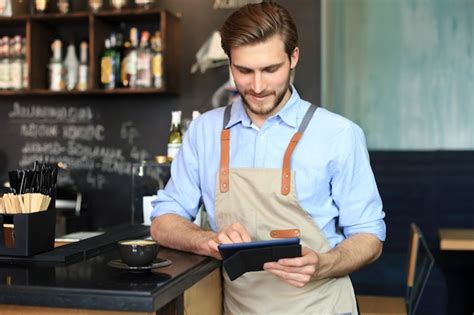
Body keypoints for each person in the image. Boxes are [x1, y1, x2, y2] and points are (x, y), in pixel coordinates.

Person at [150, 2, 386, 314]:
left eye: (270, 70)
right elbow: (163, 221)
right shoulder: (203, 132)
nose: (257, 86)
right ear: (230, 63)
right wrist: (208, 241)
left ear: (294, 58)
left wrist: (325, 264)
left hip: (321, 307)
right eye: (244, 71)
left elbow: (370, 236)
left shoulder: (339, 134)